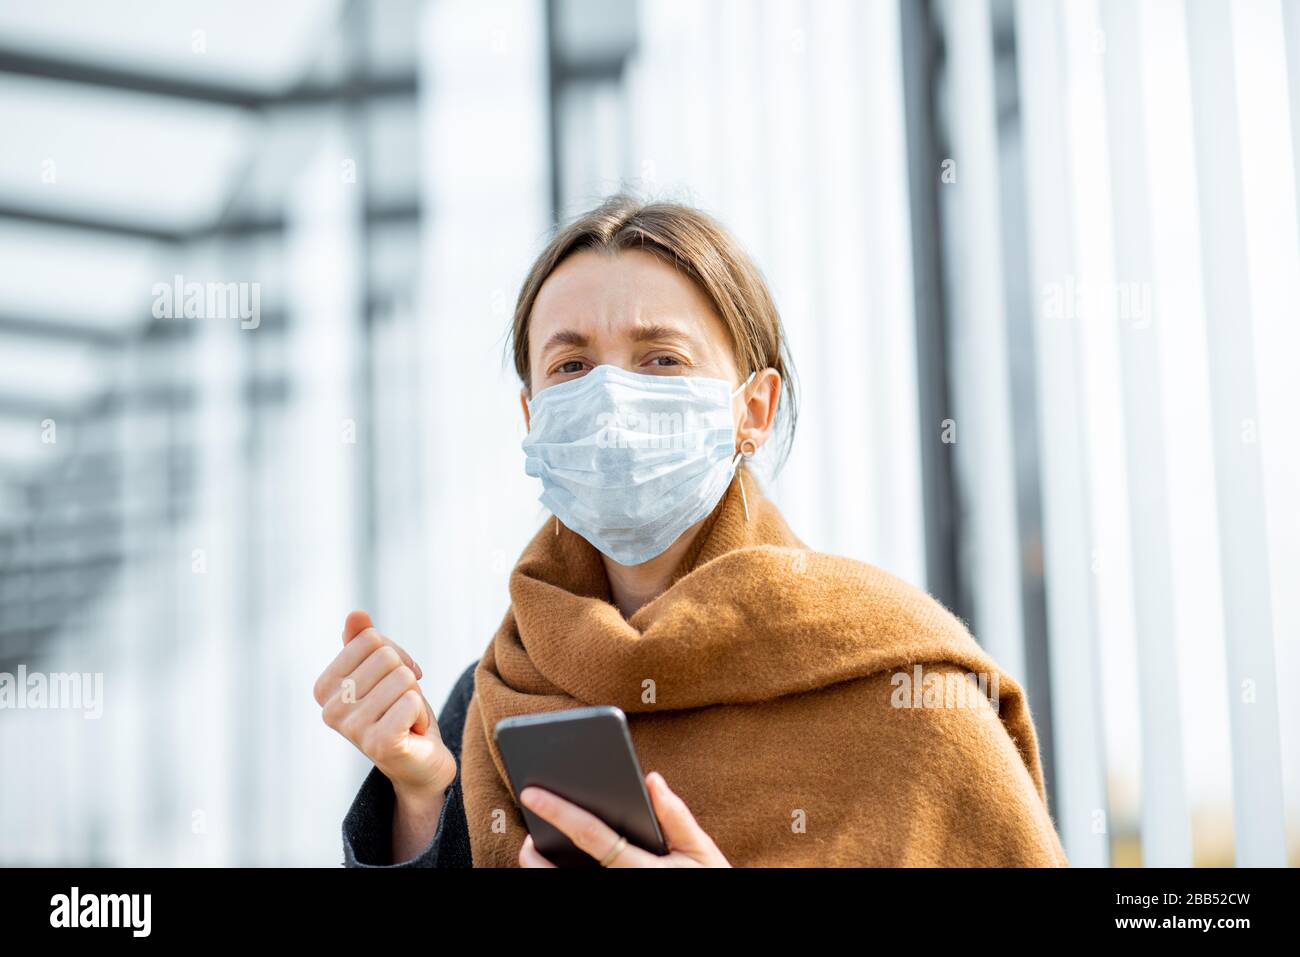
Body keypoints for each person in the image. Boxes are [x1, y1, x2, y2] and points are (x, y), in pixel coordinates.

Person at [314, 194, 1069, 868]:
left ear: (755, 410)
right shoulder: (485, 703)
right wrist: (419, 800)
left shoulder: (907, 693)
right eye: (572, 364)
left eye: (661, 359)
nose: (611, 398)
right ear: (530, 416)